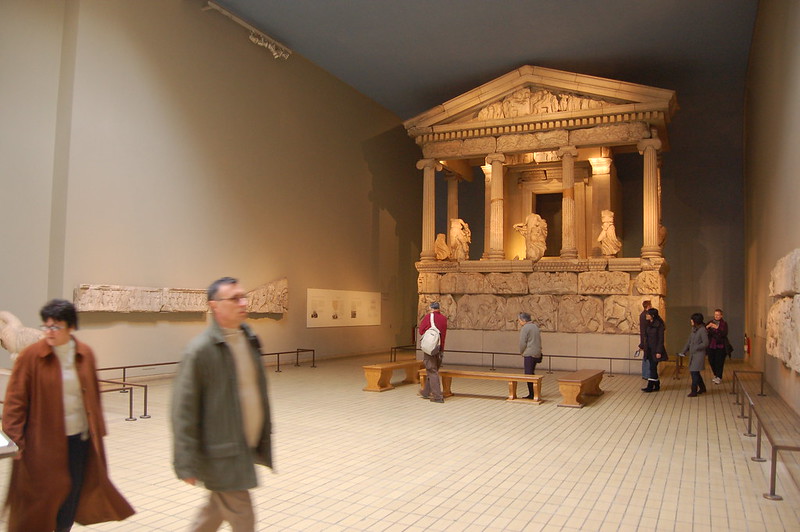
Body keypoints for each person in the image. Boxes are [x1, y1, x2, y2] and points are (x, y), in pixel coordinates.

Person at [2, 299, 134, 532]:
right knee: (41, 501)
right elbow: (15, 402)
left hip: (77, 443)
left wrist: (97, 433)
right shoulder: (31, 356)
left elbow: (92, 395)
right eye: (47, 326)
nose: (49, 332)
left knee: (71, 497)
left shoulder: (84, 354)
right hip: (41, 446)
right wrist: (15, 441)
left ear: (71, 327)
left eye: (56, 327)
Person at [171, 277, 273, 532]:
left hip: (242, 446)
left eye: (244, 296)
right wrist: (185, 462)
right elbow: (183, 411)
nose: (243, 303)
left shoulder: (249, 340)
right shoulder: (200, 351)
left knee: (213, 512)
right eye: (235, 298)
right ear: (214, 306)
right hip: (222, 453)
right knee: (243, 519)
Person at [418, 301, 447, 403]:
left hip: (430, 348)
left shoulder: (428, 317)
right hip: (440, 348)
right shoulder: (444, 319)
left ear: (431, 308)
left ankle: (437, 397)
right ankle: (426, 392)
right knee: (433, 370)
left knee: (431, 370)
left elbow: (421, 331)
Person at [680, 313, 710, 397]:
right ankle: (703, 388)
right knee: (695, 372)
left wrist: (696, 347)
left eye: (692, 320)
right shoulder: (694, 329)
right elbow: (689, 341)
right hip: (693, 354)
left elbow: (706, 343)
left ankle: (694, 391)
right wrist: (684, 351)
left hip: (699, 354)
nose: (691, 321)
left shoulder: (702, 330)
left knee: (694, 372)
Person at [517, 312, 542, 400]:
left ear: (523, 320)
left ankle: (532, 394)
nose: (519, 322)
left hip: (529, 353)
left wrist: (521, 352)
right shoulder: (535, 326)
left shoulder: (525, 328)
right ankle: (535, 392)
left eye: (519, 320)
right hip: (537, 353)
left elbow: (522, 343)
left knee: (528, 375)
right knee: (532, 373)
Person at [642, 308, 667, 393]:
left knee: (652, 367)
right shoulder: (649, 324)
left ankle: (650, 386)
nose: (646, 315)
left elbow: (661, 339)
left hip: (655, 350)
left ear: (652, 315)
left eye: (648, 314)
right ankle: (656, 385)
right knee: (652, 367)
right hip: (649, 349)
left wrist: (659, 351)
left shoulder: (659, 325)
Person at [706, 308, 729, 384]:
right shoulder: (711, 322)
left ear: (721, 316)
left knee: (719, 361)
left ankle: (719, 376)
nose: (716, 316)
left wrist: (717, 327)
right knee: (711, 360)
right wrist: (708, 326)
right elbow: (705, 330)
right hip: (711, 345)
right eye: (715, 314)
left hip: (720, 346)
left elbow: (724, 333)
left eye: (718, 315)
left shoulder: (724, 324)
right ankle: (716, 374)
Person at [638, 300, 652, 380]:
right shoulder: (645, 315)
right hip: (646, 339)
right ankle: (647, 374)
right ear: (648, 306)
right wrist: (642, 343)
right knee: (647, 357)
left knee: (646, 357)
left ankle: (645, 374)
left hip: (645, 339)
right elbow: (643, 330)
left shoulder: (642, 315)